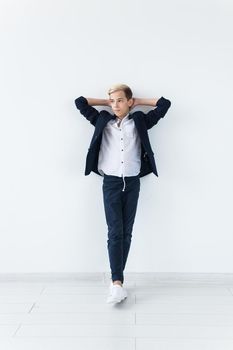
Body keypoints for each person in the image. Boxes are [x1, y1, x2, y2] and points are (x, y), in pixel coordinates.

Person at [74, 84, 171, 304]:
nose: (115, 105)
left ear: (129, 101)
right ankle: (116, 282)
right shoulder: (102, 120)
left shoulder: (140, 121)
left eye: (120, 100)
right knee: (115, 232)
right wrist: (106, 101)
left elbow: (165, 104)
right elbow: (80, 101)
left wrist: (138, 102)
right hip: (111, 183)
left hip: (133, 182)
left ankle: (118, 283)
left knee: (126, 233)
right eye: (112, 101)